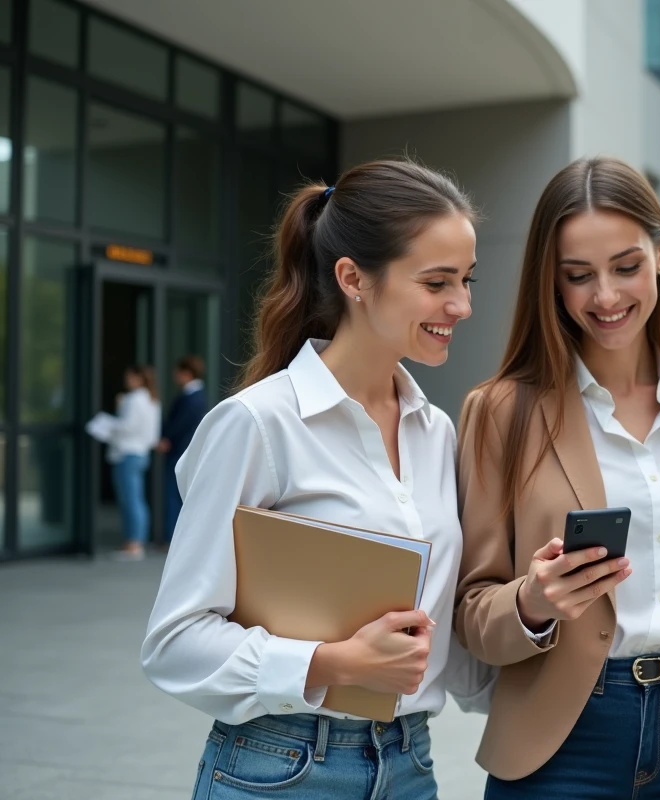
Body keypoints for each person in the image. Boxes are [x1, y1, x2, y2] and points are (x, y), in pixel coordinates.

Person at [142, 160, 477, 800]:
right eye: (437, 282)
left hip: (411, 764)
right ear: (353, 278)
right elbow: (174, 642)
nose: (460, 304)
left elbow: (443, 630)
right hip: (282, 768)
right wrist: (333, 663)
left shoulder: (435, 432)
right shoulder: (257, 424)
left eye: (465, 279)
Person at [455, 156, 660, 799]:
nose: (607, 297)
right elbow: (472, 612)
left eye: (626, 267)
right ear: (552, 284)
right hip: (559, 742)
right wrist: (533, 603)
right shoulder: (501, 413)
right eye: (578, 276)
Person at [110, 364, 162, 561]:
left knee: (130, 499)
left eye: (129, 377)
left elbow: (126, 426)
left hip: (127, 452)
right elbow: (152, 434)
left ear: (137, 378)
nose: (126, 380)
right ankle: (135, 541)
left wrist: (118, 409)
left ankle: (134, 543)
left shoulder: (132, 400)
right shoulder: (152, 399)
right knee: (136, 498)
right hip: (141, 452)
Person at [157, 355, 208, 543]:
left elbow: (181, 425)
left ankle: (174, 538)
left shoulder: (193, 398)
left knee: (174, 495)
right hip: (181, 451)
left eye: (178, 373)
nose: (175, 376)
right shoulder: (194, 396)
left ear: (186, 373)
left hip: (179, 452)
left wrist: (167, 439)